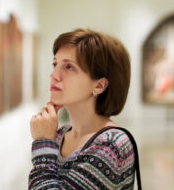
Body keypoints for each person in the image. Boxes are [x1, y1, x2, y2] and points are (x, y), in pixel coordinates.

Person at [29, 29, 141, 189]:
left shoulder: (112, 145)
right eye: (55, 64)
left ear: (99, 85)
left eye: (69, 67)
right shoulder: (60, 135)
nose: (54, 74)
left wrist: (43, 143)